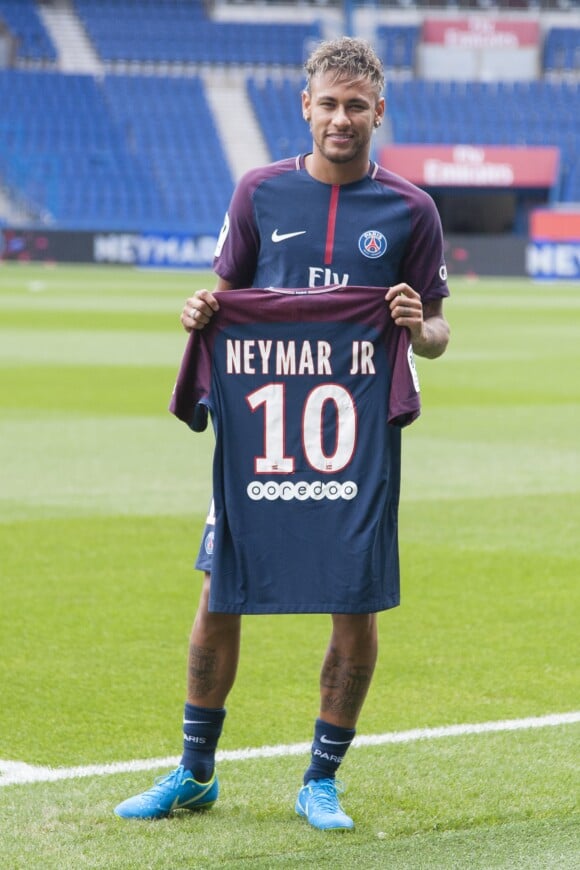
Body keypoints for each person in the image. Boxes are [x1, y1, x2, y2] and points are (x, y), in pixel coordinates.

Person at [115, 35, 450, 831]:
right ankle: (195, 772)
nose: (341, 118)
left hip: (354, 446)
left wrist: (416, 325)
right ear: (305, 106)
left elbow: (437, 331)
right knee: (218, 594)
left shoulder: (412, 211)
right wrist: (197, 311)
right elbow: (223, 299)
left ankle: (320, 780)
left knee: (353, 605)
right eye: (329, 104)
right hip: (261, 438)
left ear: (379, 112)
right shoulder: (258, 192)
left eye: (356, 106)